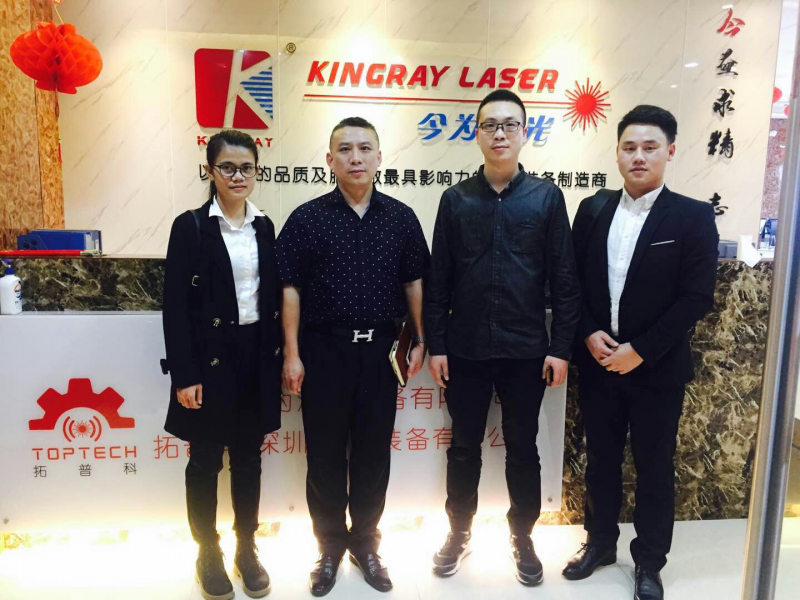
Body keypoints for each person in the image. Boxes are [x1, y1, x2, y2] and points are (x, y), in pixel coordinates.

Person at [425, 89, 581, 587]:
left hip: (526, 350)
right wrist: (437, 344)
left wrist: (560, 348)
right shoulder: (455, 200)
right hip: (465, 350)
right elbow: (438, 280)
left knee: (523, 448)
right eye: (490, 124)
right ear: (476, 133)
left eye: (510, 124)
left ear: (524, 133)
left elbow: (565, 280)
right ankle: (458, 532)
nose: (499, 133)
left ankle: (523, 536)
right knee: (463, 447)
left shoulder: (546, 198)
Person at [563, 105, 719, 600]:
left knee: (654, 467)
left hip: (657, 368)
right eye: (629, 147)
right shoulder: (592, 209)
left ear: (669, 151)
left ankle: (649, 562)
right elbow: (572, 282)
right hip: (599, 362)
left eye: (650, 147)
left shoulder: (692, 216)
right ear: (616, 153)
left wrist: (642, 350)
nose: (638, 156)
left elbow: (696, 297)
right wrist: (589, 332)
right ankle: (600, 544)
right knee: (600, 461)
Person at [276, 117, 430, 597]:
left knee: (372, 455)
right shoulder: (307, 218)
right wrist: (292, 354)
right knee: (323, 455)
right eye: (345, 149)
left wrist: (421, 338)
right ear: (330, 160)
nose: (356, 157)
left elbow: (414, 283)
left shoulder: (401, 218)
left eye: (365, 148)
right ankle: (328, 548)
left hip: (381, 355)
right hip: (324, 351)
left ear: (380, 157)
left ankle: (365, 544)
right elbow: (290, 289)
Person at [162, 130, 282, 600]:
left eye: (246, 167)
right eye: (227, 167)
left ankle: (245, 547)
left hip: (255, 357)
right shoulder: (191, 226)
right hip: (209, 361)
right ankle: (207, 552)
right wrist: (185, 374)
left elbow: (270, 299)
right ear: (210, 171)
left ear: (256, 172)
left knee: (249, 459)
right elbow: (175, 308)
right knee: (205, 459)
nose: (237, 176)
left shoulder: (264, 227)